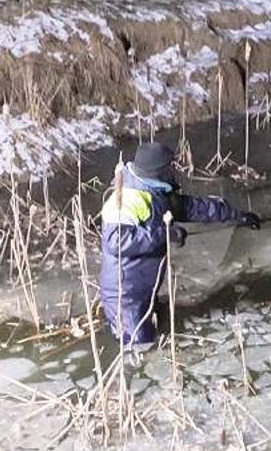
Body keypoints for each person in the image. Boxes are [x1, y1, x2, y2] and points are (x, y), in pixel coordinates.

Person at [99, 142, 260, 348]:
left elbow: (194, 208)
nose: (174, 170)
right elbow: (116, 241)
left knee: (156, 331)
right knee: (139, 347)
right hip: (124, 294)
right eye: (170, 167)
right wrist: (166, 234)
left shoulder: (157, 192)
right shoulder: (126, 199)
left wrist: (238, 216)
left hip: (144, 288)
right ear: (158, 170)